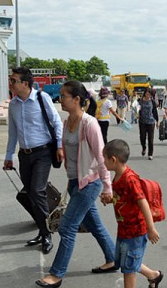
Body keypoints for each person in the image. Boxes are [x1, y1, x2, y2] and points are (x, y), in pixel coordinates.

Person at [36, 81, 116, 288]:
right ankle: (114, 258)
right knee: (94, 225)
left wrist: (107, 187)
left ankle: (56, 274)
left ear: (77, 99)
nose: (60, 99)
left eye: (64, 96)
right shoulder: (66, 122)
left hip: (89, 183)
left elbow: (101, 156)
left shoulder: (89, 123)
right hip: (74, 182)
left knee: (67, 227)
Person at [3, 67, 63, 254]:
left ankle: (47, 233)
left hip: (43, 152)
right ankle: (41, 229)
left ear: (25, 83)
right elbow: (13, 132)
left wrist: (60, 146)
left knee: (37, 190)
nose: (10, 83)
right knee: (30, 193)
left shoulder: (41, 98)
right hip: (24, 155)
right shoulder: (13, 104)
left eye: (14, 80)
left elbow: (57, 122)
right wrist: (8, 156)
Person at [102, 139, 163, 288]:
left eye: (104, 159)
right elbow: (121, 198)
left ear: (113, 159)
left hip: (135, 231)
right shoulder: (117, 176)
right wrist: (110, 199)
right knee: (127, 260)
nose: (103, 162)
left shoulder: (130, 180)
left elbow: (143, 202)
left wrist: (150, 227)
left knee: (128, 268)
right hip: (124, 228)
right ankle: (153, 275)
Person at [138, 89, 159, 160]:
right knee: (142, 137)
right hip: (142, 121)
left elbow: (155, 112)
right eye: (147, 93)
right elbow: (136, 109)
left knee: (150, 138)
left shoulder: (152, 102)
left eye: (149, 94)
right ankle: (144, 147)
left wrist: (157, 121)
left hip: (151, 122)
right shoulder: (140, 101)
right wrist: (137, 114)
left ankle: (150, 154)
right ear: (145, 93)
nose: (148, 95)